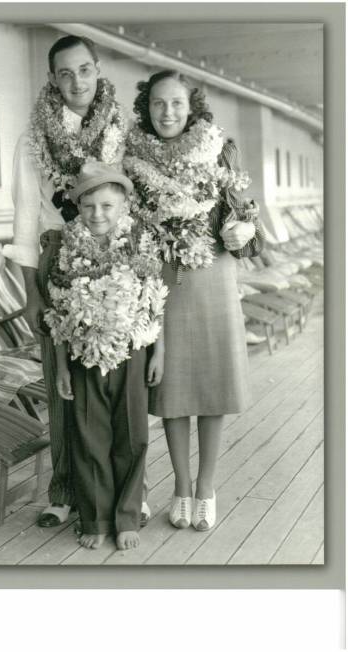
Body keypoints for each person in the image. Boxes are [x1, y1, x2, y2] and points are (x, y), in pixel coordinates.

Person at [3, 35, 151, 528]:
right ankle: (66, 489)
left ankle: (131, 493)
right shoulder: (33, 138)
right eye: (65, 73)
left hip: (117, 255)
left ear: (98, 70)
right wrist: (30, 294)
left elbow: (137, 200)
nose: (76, 81)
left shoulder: (122, 128)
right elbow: (25, 219)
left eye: (84, 70)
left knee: (121, 381)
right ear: (53, 78)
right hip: (56, 255)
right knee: (65, 382)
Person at [124, 70, 264, 532]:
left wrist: (244, 232)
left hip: (214, 277)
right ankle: (180, 487)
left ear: (192, 107)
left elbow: (247, 225)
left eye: (177, 104)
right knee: (175, 390)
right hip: (163, 283)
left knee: (211, 388)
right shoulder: (133, 160)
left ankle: (206, 487)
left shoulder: (219, 151)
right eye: (159, 104)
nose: (167, 113)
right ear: (147, 107)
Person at [43, 162, 167, 549]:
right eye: (88, 206)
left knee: (131, 436)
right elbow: (60, 314)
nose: (97, 215)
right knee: (87, 434)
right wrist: (62, 366)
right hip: (82, 356)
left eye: (107, 206)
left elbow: (155, 306)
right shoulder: (64, 250)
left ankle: (127, 516)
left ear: (124, 206)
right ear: (77, 207)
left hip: (132, 352)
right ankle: (95, 518)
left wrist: (157, 353)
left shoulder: (141, 247)